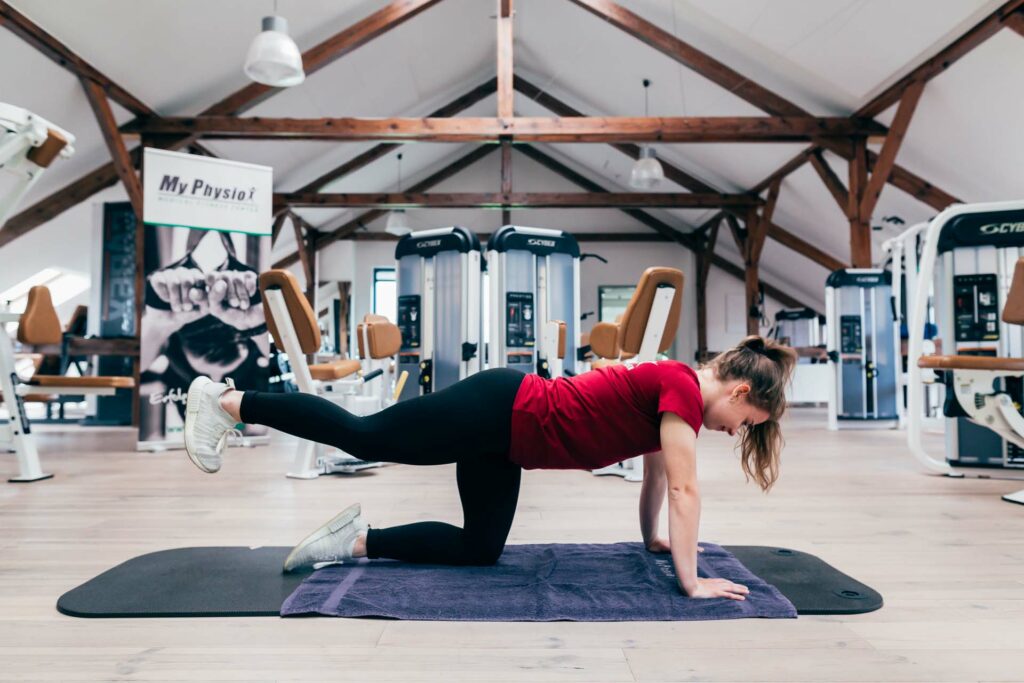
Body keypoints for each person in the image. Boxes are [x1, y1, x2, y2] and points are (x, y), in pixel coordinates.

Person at [183, 336, 796, 601]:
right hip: (499, 409)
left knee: (481, 548)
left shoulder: (675, 397)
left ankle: (355, 541)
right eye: (747, 422)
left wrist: (654, 540)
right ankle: (229, 401)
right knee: (362, 433)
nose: (737, 432)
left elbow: (661, 476)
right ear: (739, 392)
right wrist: (691, 583)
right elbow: (688, 489)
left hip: (507, 444)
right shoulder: (680, 387)